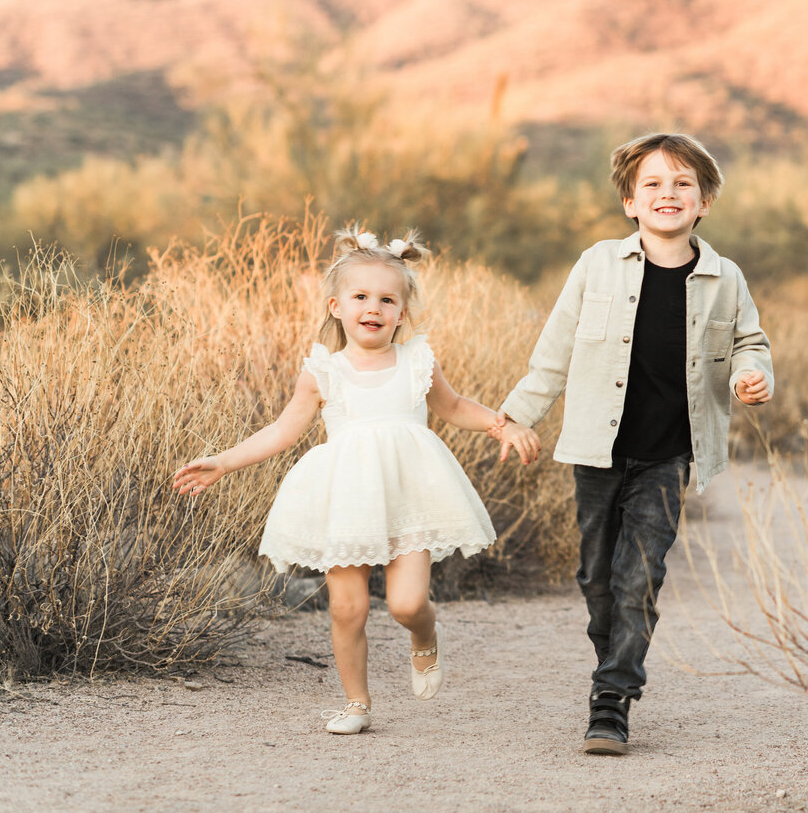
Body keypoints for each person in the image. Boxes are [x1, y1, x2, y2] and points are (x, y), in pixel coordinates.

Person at [173, 228, 538, 735]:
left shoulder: (417, 361)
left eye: (387, 299)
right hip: (345, 498)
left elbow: (454, 409)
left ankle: (424, 637)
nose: (374, 307)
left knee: (407, 603)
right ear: (336, 307)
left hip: (411, 493)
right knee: (348, 609)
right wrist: (224, 462)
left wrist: (504, 422)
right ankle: (357, 704)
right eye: (361, 297)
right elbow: (282, 430)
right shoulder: (324, 371)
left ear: (402, 313)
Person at [492, 133, 773, 755]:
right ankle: (612, 663)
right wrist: (515, 416)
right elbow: (555, 351)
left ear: (704, 203)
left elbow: (751, 343)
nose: (667, 194)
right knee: (598, 579)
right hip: (596, 450)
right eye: (652, 184)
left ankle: (612, 698)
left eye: (682, 185)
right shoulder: (596, 264)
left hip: (667, 456)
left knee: (639, 577)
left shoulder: (725, 278)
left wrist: (754, 376)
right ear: (629, 201)